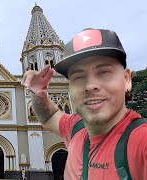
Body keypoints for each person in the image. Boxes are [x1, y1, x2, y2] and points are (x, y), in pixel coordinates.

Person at [21, 28, 147, 179]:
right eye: (78, 76)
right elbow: (49, 117)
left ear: (126, 79)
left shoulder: (141, 139)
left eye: (103, 72)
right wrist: (37, 92)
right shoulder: (76, 128)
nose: (90, 85)